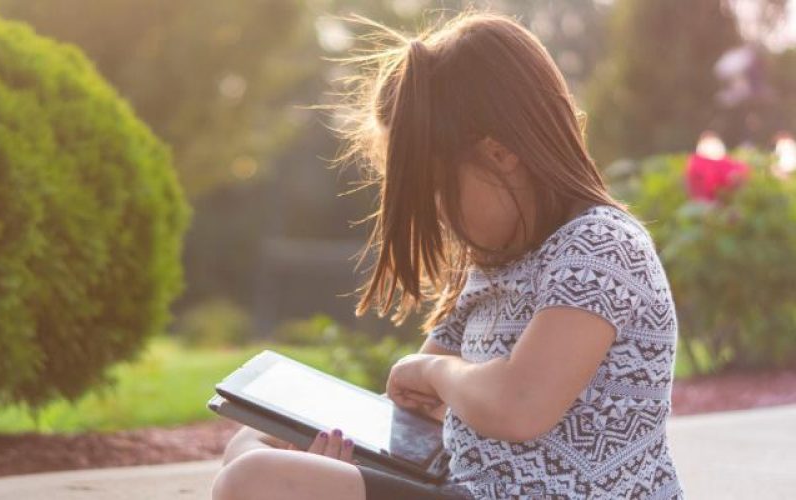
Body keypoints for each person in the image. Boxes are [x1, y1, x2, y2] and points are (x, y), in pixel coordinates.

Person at [212, 10, 683, 500]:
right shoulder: (490, 268)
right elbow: (414, 419)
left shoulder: (599, 245)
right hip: (465, 488)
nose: (437, 214)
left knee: (255, 480)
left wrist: (435, 373)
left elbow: (519, 404)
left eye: (438, 190)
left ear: (500, 155)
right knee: (254, 443)